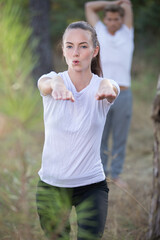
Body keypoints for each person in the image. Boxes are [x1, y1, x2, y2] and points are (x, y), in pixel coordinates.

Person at [36, 21, 120, 240]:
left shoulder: (102, 87)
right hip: (51, 187)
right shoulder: (52, 82)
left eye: (83, 46)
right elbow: (44, 83)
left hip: (91, 186)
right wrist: (56, 83)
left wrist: (107, 84)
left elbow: (112, 89)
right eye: (70, 46)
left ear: (94, 51)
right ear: (63, 50)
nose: (76, 53)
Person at [85, 0, 134, 188]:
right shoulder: (99, 33)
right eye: (109, 19)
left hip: (124, 93)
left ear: (121, 20)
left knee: (120, 137)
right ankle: (101, 174)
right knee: (101, 135)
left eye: (116, 19)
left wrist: (122, 5)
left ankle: (116, 175)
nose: (113, 22)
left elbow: (128, 5)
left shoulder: (127, 34)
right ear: (104, 20)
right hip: (101, 93)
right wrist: (113, 2)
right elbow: (90, 6)